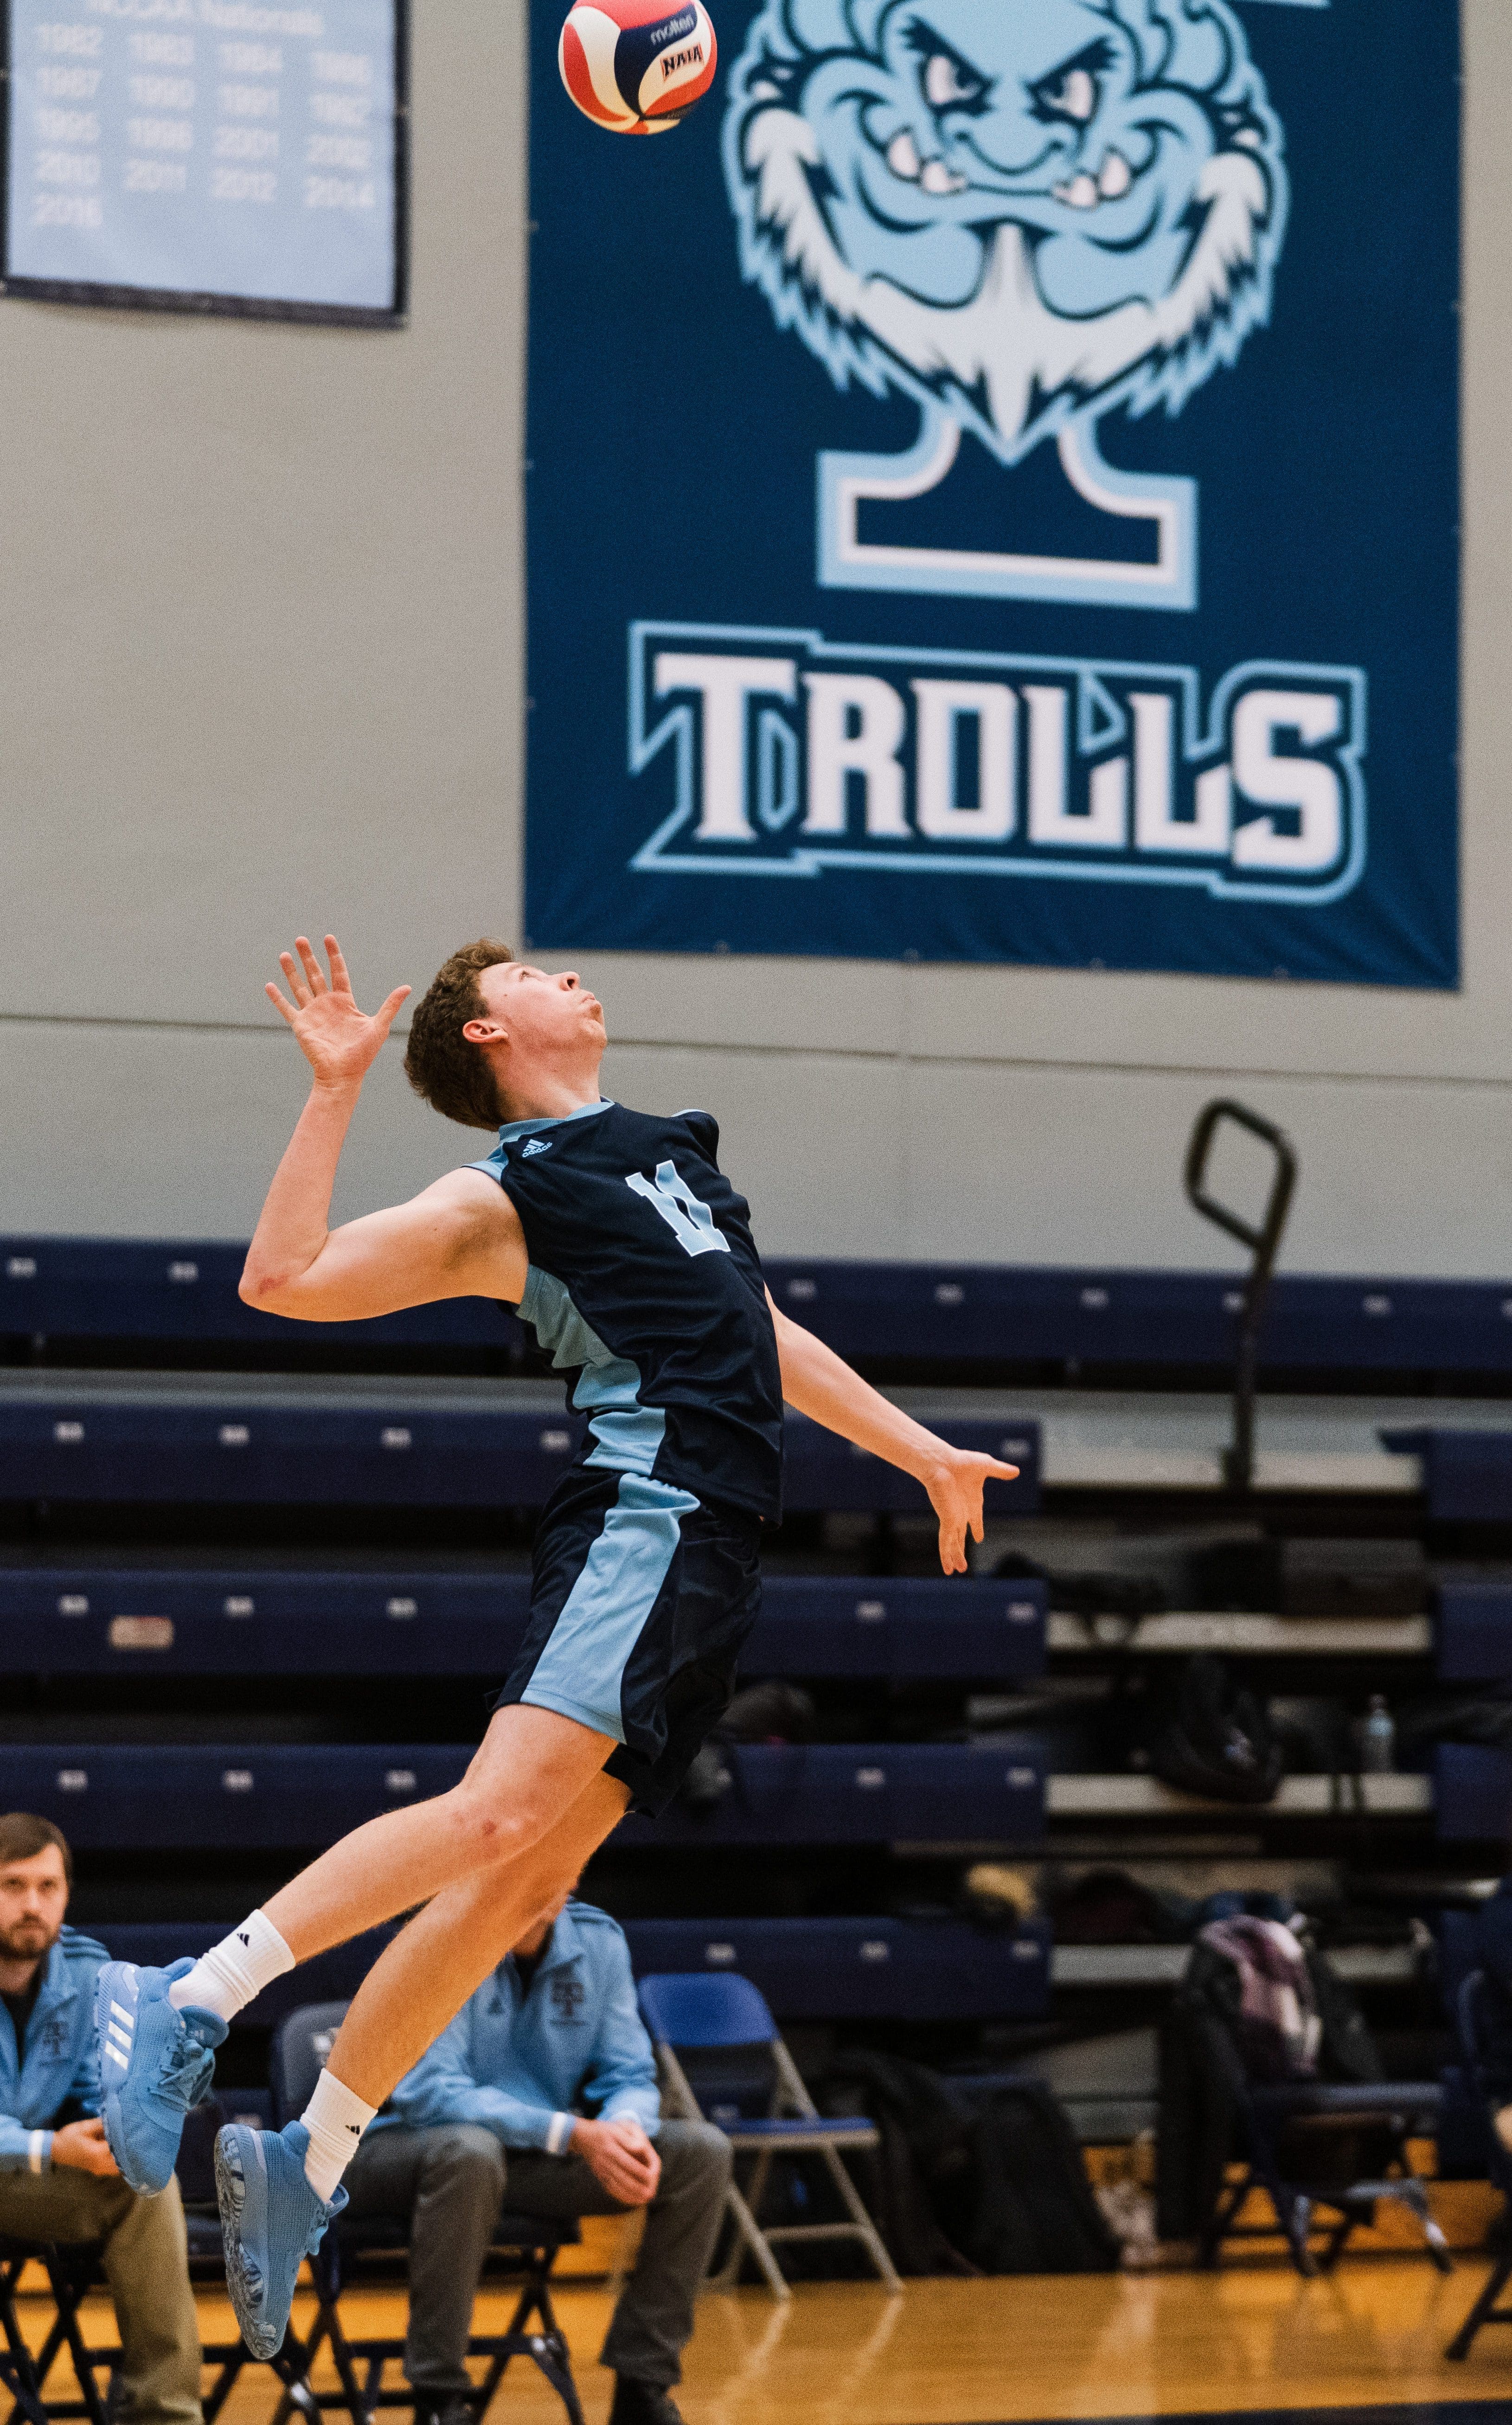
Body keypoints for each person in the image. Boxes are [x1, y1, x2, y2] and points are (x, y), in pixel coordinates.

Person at [96, 934, 1016, 2359]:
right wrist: (336, 1089)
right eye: (536, 970)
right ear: (482, 1033)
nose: (572, 977)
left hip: (713, 1550)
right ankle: (192, 1993)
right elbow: (280, 1276)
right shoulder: (503, 1192)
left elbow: (759, 1330)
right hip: (644, 1513)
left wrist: (917, 1449)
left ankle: (311, 2159)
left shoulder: (670, 1154)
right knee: (499, 1813)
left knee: (526, 1872)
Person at [346, 1883, 728, 2425]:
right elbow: (432, 2092)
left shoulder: (599, 1941)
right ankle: (437, 2398)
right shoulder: (438, 1937)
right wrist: (570, 2132)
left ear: (570, 1877)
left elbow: (629, 2073)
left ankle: (643, 2389)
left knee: (699, 2152)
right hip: (406, 2147)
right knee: (470, 2153)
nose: (533, 1879)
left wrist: (624, 2127)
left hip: (526, 2158)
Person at [0, 1814, 202, 2425]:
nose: (33, 1905)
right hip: (29, 2158)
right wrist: (50, 2148)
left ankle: (162, 2412)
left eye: (48, 1887)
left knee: (145, 2182)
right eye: (12, 1886)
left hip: (23, 2177)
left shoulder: (89, 1970)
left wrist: (123, 2124)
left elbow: (100, 2086)